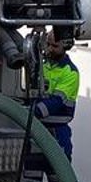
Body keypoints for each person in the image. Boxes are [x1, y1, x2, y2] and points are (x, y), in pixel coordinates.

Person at [31, 29, 80, 159]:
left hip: (57, 134)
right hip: (37, 132)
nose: (49, 49)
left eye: (55, 46)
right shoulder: (42, 67)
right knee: (31, 175)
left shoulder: (70, 73)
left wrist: (28, 112)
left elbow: (56, 102)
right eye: (48, 44)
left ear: (66, 47)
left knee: (58, 176)